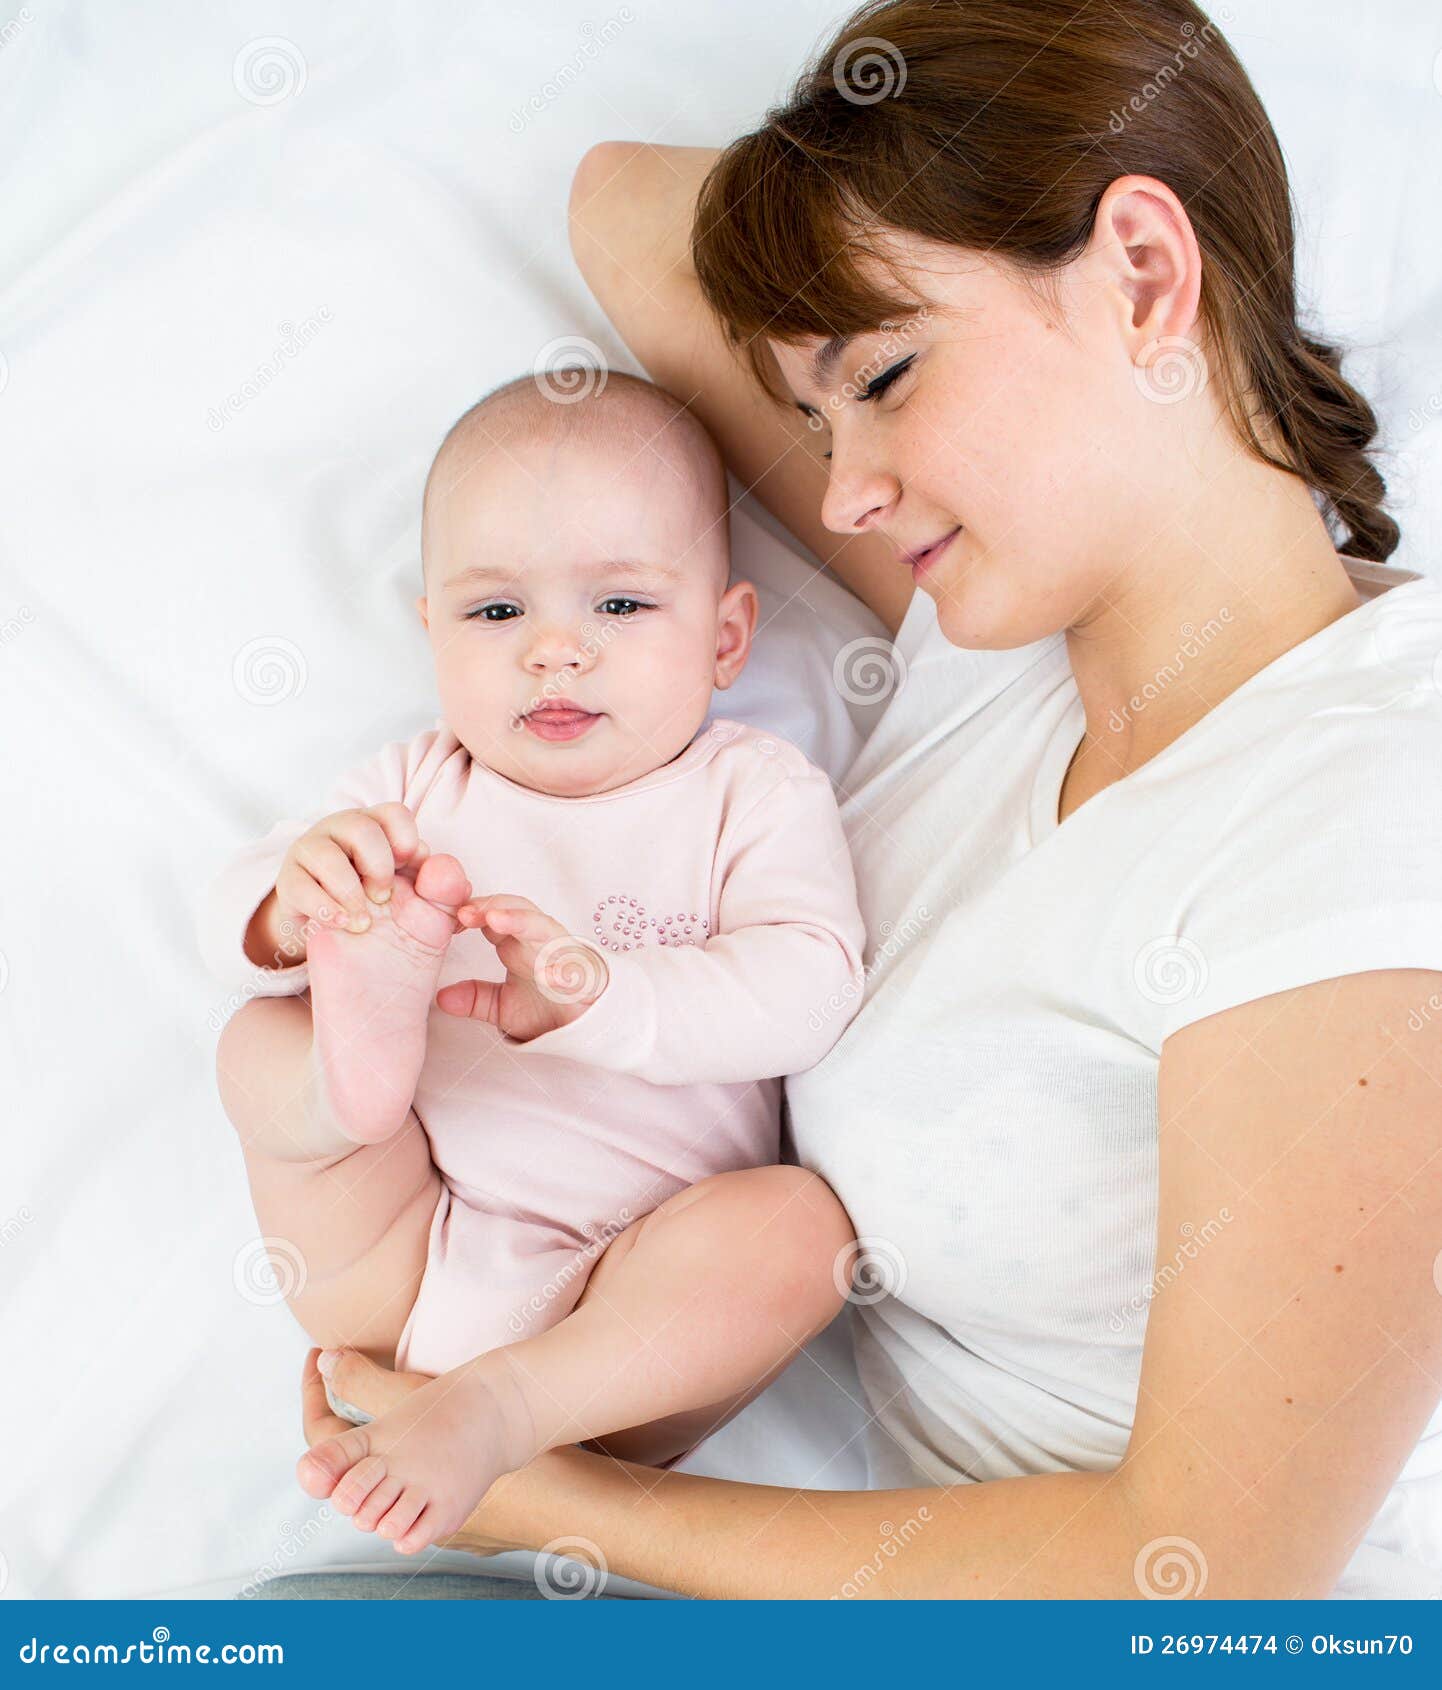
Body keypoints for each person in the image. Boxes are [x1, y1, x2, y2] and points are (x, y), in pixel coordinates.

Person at [304, 0, 1442, 1598]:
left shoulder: (1363, 807)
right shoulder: (993, 645)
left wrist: (530, 1490)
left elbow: (1206, 1571)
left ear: (1141, 272)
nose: (835, 486)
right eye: (814, 410)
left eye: (886, 379)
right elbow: (618, 203)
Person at [205, 369, 867, 1556]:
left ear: (724, 637)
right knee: (259, 1040)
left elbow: (810, 985)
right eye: (495, 614)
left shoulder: (748, 791)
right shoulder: (410, 788)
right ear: (430, 634)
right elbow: (237, 914)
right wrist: (287, 910)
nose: (553, 653)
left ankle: (492, 1406)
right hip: (393, 1252)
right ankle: (346, 1079)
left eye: (618, 606)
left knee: (800, 1234)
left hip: (620, 1325)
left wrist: (599, 998)